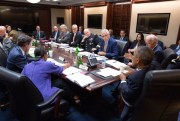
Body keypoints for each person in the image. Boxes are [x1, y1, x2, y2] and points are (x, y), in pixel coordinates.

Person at [119, 46, 154, 121]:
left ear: (138, 60)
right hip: (150, 106)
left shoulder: (135, 78)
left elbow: (127, 94)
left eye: (133, 55)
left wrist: (123, 80)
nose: (131, 57)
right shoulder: (154, 67)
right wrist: (135, 70)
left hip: (134, 106)